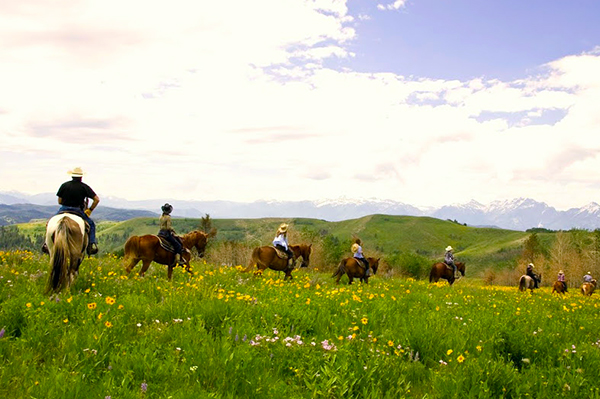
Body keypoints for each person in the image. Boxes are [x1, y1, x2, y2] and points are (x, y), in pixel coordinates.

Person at [48, 167, 100, 254]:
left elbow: (59, 201)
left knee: (50, 223)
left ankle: (46, 244)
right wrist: (90, 210)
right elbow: (96, 200)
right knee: (91, 224)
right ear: (81, 177)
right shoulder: (84, 187)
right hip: (77, 210)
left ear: (72, 176)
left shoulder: (64, 185)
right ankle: (91, 245)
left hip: (63, 208)